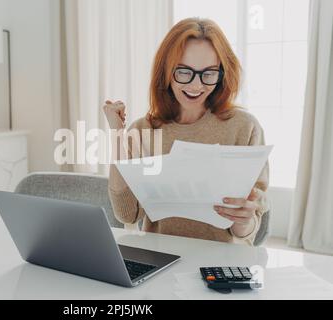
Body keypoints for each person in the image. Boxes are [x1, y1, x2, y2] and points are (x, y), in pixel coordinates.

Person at [103, 18, 269, 246]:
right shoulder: (144, 130)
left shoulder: (244, 128)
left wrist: (243, 220)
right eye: (183, 72)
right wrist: (117, 136)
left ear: (222, 73)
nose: (196, 86)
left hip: (220, 266)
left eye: (208, 73)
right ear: (166, 72)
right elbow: (127, 214)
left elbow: (247, 232)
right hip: (161, 262)